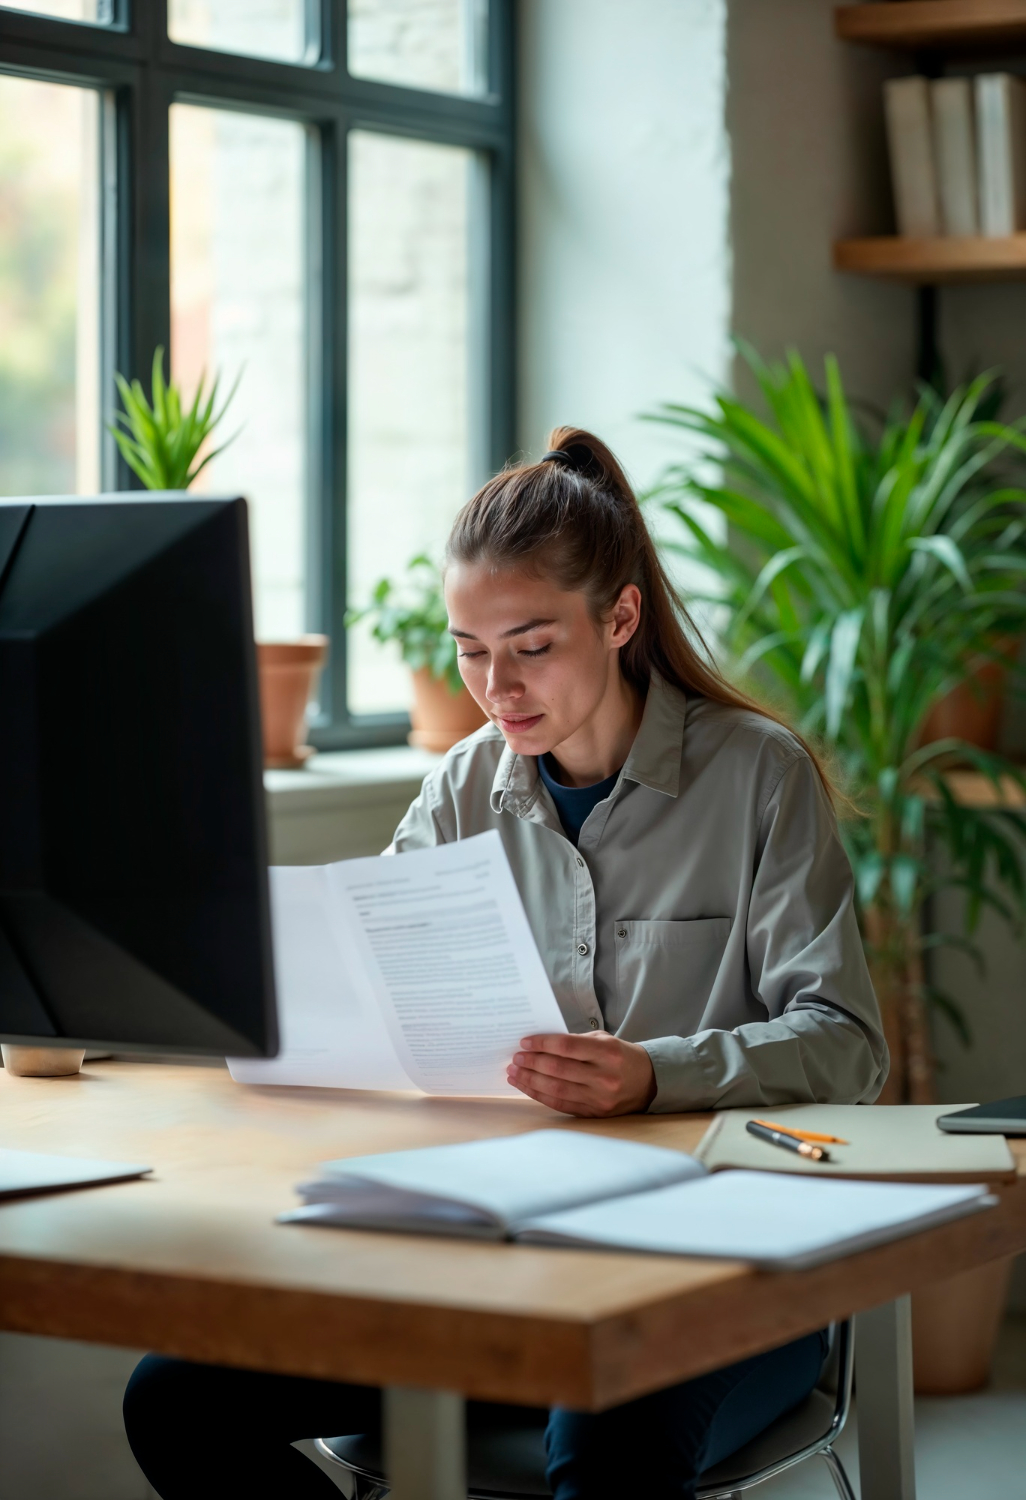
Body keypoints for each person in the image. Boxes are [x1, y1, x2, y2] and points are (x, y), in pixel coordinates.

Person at [124, 428, 887, 1500]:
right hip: (497, 1255)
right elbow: (373, 985)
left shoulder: (759, 777)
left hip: (723, 1266)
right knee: (175, 1399)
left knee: (605, 1442)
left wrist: (655, 1073)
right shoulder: (460, 787)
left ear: (619, 618)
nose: (497, 687)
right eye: (471, 651)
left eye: (530, 646)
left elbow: (849, 1046)